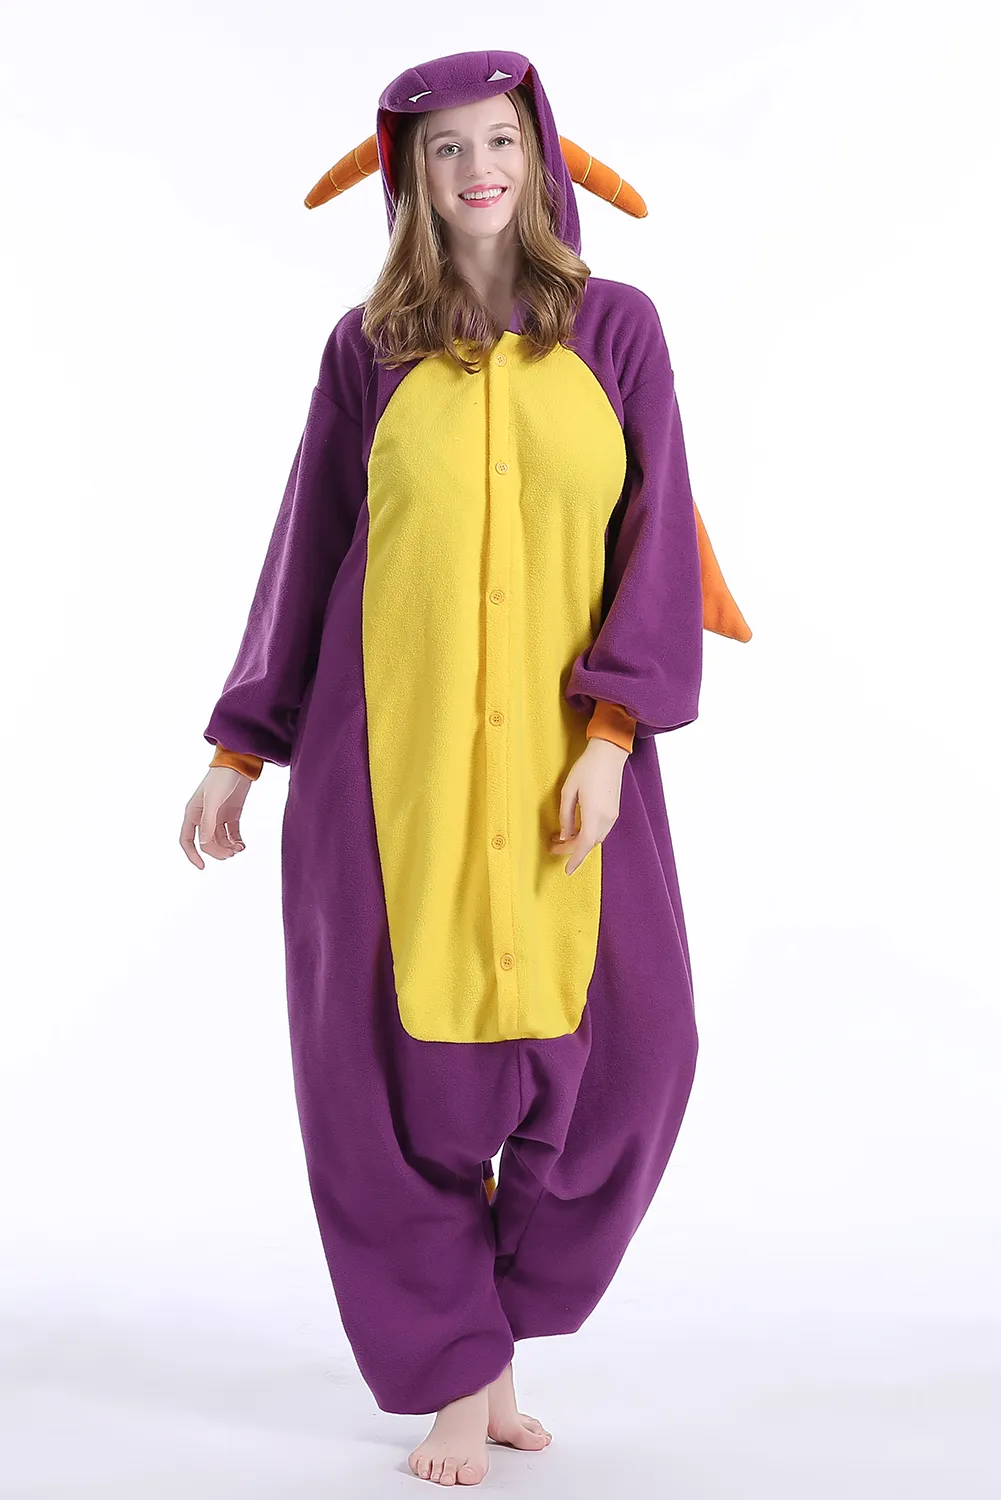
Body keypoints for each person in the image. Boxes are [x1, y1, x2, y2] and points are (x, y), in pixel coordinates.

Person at [179, 48, 750, 1489]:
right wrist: (243, 747)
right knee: (399, 1090)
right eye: (445, 148)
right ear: (409, 177)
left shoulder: (619, 331)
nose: (477, 169)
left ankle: (489, 1327)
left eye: (499, 139)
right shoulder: (365, 350)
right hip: (388, 777)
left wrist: (613, 735)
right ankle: (457, 1378)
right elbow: (310, 545)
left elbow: (655, 538)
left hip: (574, 772)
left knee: (637, 1061)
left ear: (540, 153)